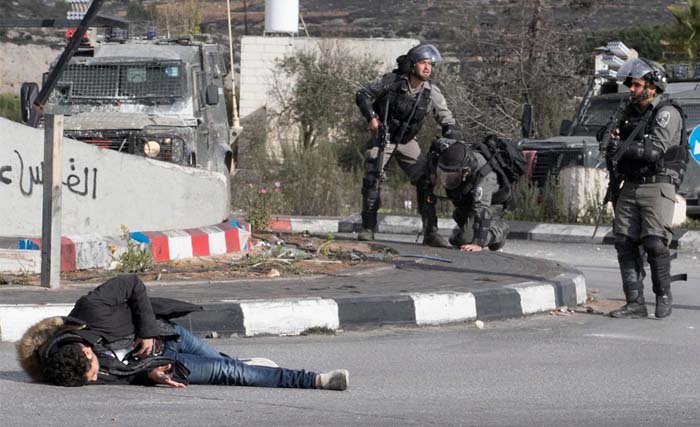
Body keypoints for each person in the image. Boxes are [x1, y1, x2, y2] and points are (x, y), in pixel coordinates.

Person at [16, 274, 349, 390]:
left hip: (166, 335)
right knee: (229, 372)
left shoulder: (89, 310)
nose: (99, 376)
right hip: (163, 364)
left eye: (95, 370)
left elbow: (132, 283)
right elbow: (127, 375)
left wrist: (145, 332)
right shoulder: (70, 369)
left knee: (225, 362)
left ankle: (249, 364)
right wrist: (152, 377)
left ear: (86, 349)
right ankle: (316, 380)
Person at [601, 58, 688, 319]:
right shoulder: (629, 112)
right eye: (631, 85)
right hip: (631, 183)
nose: (631, 89)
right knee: (624, 241)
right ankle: (635, 302)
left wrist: (623, 147)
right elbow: (606, 136)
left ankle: (662, 294)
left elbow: (655, 150)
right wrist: (611, 134)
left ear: (652, 86)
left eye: (637, 84)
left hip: (657, 183)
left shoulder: (666, 113)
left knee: (654, 241)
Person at [355, 43, 458, 247]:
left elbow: (448, 120)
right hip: (384, 138)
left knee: (426, 180)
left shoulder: (431, 92)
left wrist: (450, 137)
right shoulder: (391, 82)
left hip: (407, 141)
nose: (427, 68)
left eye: (430, 64)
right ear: (412, 65)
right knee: (372, 175)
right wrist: (372, 119)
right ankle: (368, 228)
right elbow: (363, 95)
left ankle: (431, 232)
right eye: (423, 63)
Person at [429, 138, 509, 252]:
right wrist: (433, 172)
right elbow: (434, 148)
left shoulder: (485, 176)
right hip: (471, 200)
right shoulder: (447, 152)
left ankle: (500, 230)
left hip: (492, 204)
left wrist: (478, 243)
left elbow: (481, 211)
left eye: (452, 175)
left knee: (464, 241)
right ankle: (469, 232)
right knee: (459, 225)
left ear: (466, 171)